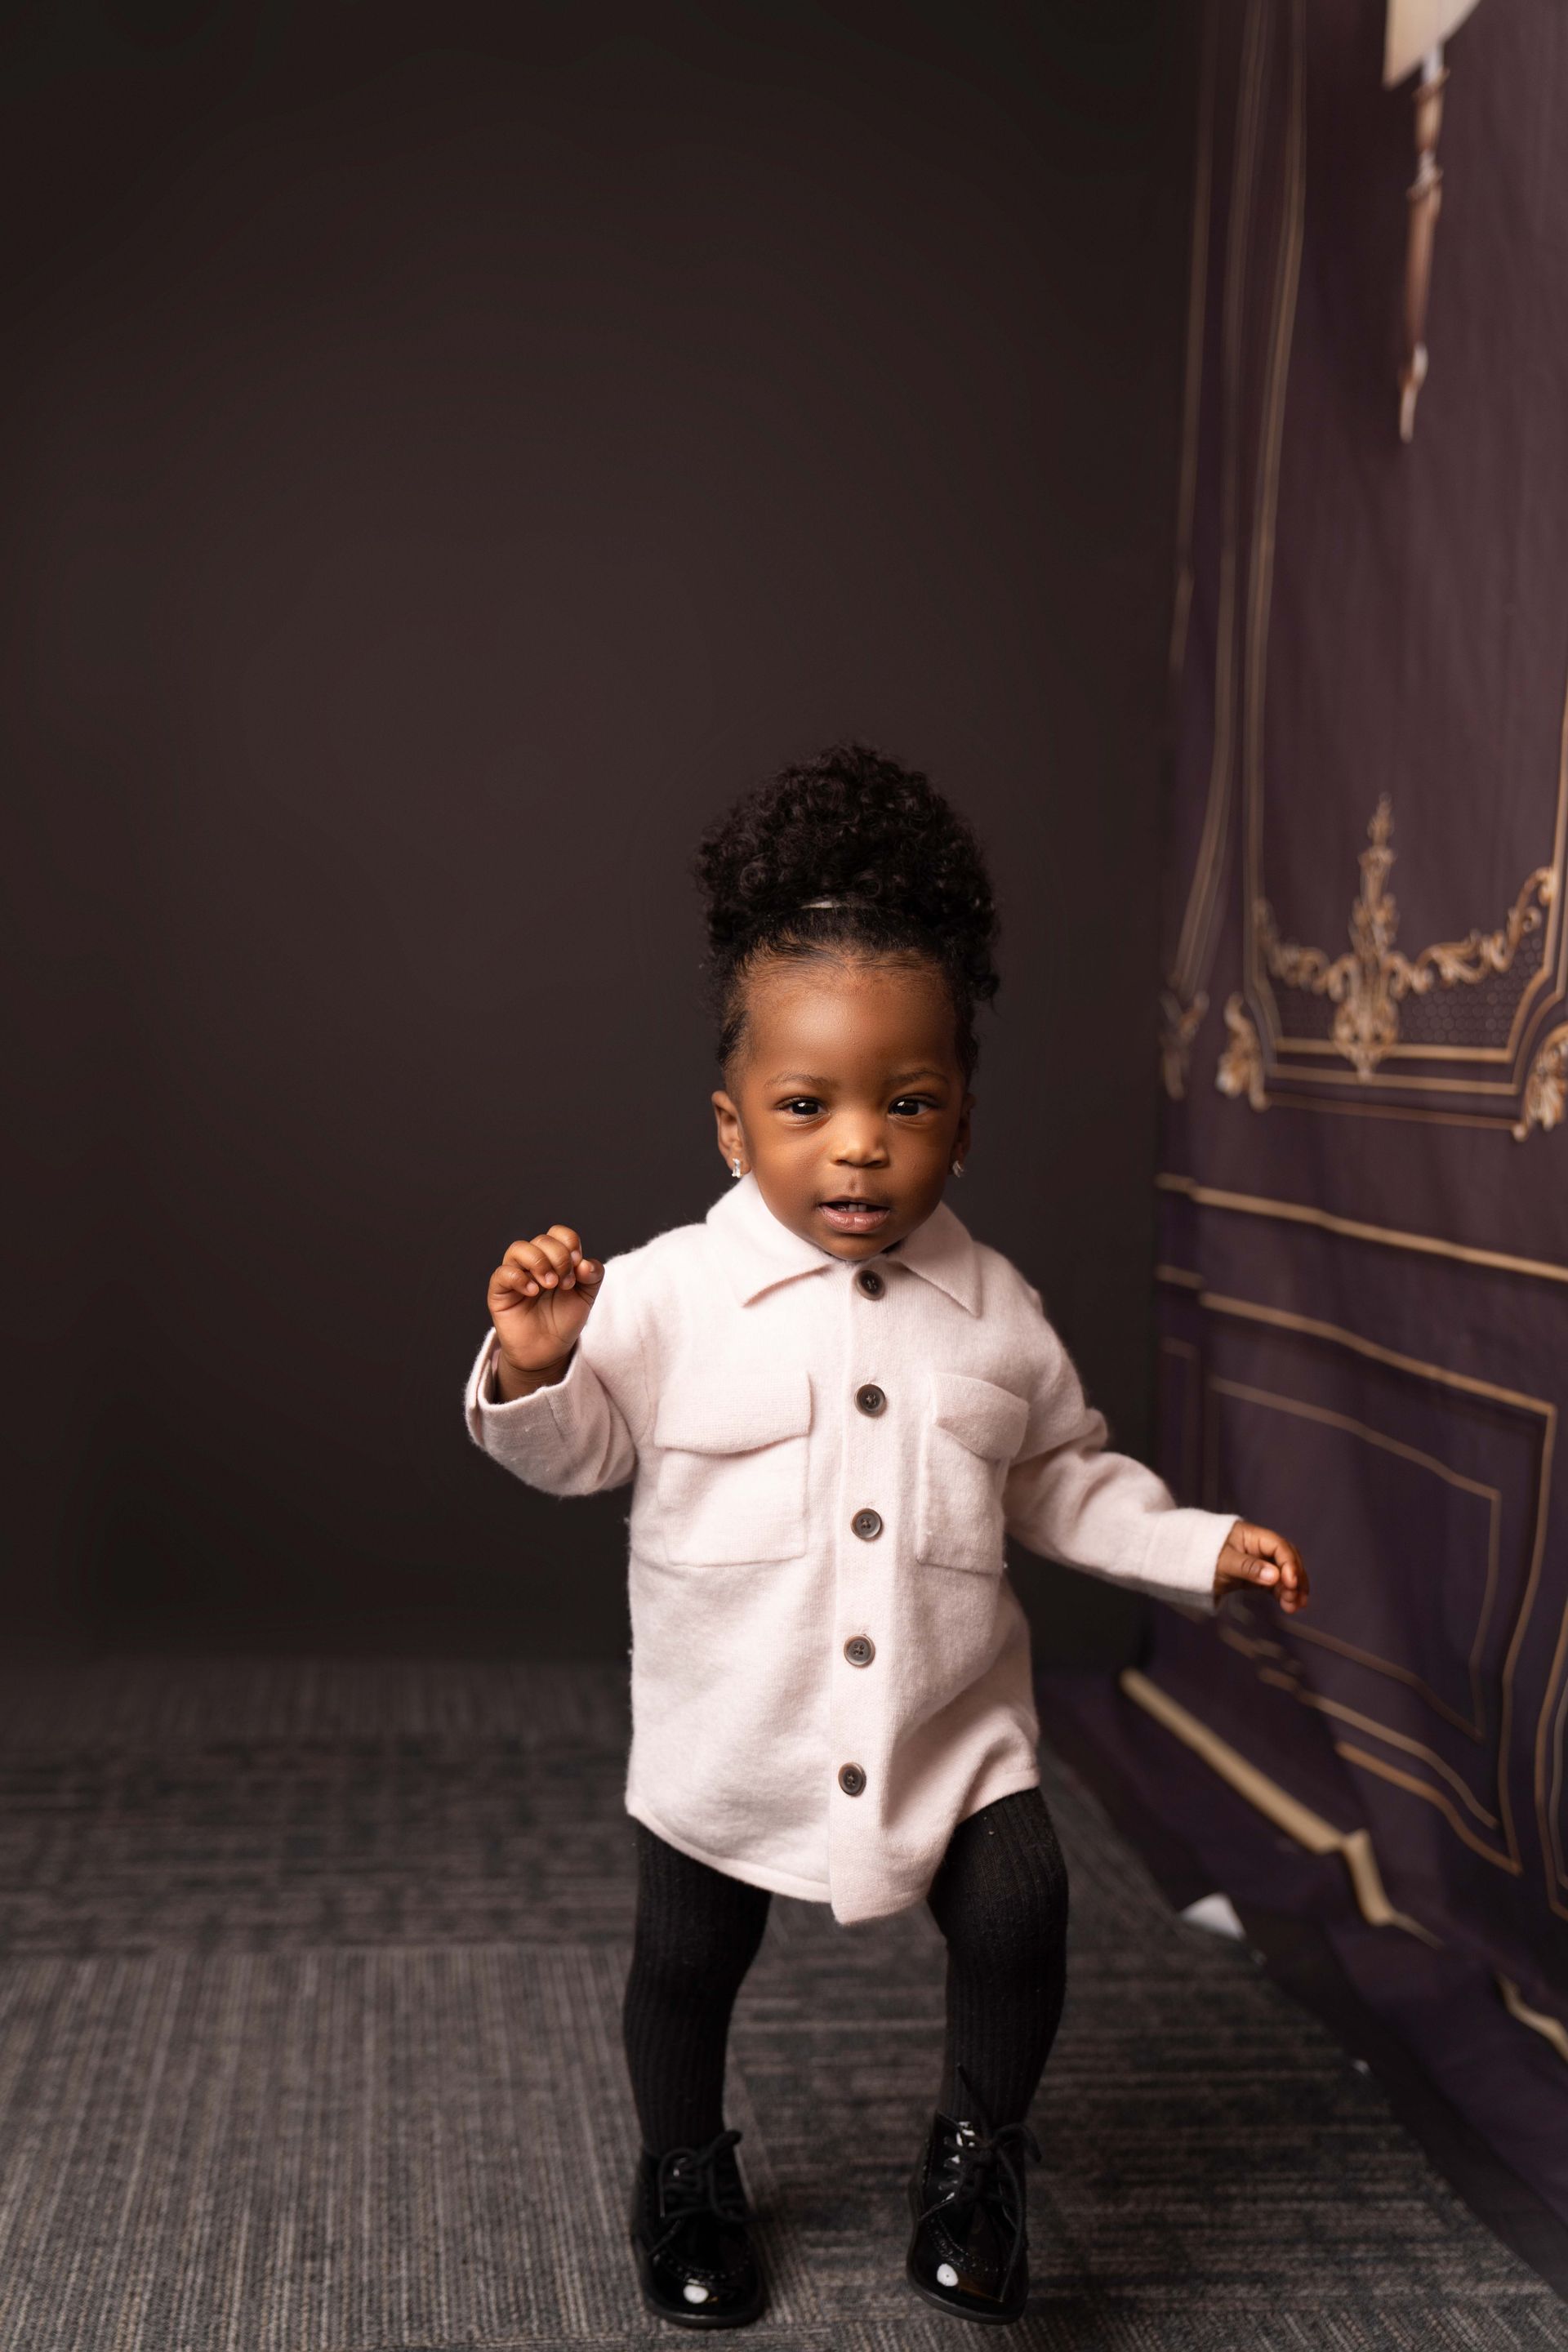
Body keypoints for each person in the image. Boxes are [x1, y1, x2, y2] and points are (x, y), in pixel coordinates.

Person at [462, 743, 1309, 2330]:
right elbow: (574, 1458)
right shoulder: (659, 1294)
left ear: (962, 1118)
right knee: (687, 1962)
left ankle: (976, 2157)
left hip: (948, 1725)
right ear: (731, 1127)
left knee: (1021, 1903)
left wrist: (1201, 1545)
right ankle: (684, 2168)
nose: (858, 1144)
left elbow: (1064, 1479)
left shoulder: (997, 1314)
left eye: (904, 1104)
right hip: (731, 1732)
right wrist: (538, 1358)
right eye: (808, 1106)